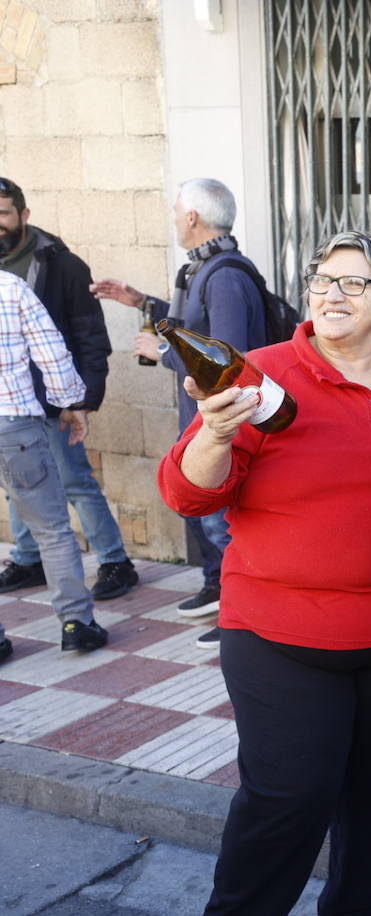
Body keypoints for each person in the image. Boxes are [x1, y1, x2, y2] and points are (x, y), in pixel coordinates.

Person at [157, 230, 371, 915]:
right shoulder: (258, 374)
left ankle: (352, 905)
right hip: (281, 636)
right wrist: (214, 433)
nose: (332, 294)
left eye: (354, 283)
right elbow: (188, 493)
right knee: (289, 798)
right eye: (323, 281)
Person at [91, 178, 268, 649]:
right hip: (202, 415)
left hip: (221, 420)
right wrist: (140, 301)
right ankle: (217, 586)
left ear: (192, 218)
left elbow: (225, 356)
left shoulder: (225, 273)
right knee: (202, 511)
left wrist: (161, 350)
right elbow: (196, 325)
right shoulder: (204, 269)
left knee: (220, 519)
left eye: (175, 211)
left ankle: (242, 611)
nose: (172, 218)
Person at [0, 177, 138, 600]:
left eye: (3, 214)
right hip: (10, 406)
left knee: (74, 480)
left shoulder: (63, 265)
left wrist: (81, 400)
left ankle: (116, 561)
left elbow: (90, 336)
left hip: (55, 400)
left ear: (24, 215)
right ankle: (28, 559)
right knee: (17, 484)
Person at [0, 272, 104, 659]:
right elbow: (52, 352)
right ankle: (77, 624)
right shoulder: (10, 289)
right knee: (51, 529)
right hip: (13, 423)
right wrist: (70, 404)